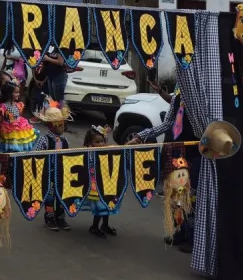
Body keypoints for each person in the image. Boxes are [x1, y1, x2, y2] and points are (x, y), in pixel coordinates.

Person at [127, 81, 198, 253]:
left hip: (193, 155)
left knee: (191, 197)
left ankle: (194, 238)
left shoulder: (200, 97)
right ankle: (180, 231)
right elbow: (166, 124)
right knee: (175, 196)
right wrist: (141, 136)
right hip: (174, 152)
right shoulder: (178, 96)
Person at [33, 98, 72, 232]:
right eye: (59, 124)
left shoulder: (65, 139)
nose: (62, 127)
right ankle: (49, 217)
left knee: (61, 194)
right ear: (51, 125)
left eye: (63, 124)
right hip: (48, 172)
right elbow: (37, 155)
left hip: (61, 173)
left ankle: (60, 217)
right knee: (49, 196)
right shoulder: (44, 139)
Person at [80, 126, 118, 238]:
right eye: (97, 142)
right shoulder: (89, 154)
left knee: (108, 205)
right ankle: (94, 227)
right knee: (100, 207)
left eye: (102, 141)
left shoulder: (106, 151)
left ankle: (105, 225)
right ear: (89, 143)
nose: (100, 144)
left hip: (107, 183)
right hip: (95, 185)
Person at [0, 81, 38, 153]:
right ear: (9, 94)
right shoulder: (3, 106)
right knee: (10, 149)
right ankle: (10, 162)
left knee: (19, 148)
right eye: (16, 92)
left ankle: (16, 162)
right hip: (9, 131)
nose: (19, 94)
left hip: (19, 129)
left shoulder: (18, 104)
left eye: (18, 92)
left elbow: (19, 116)